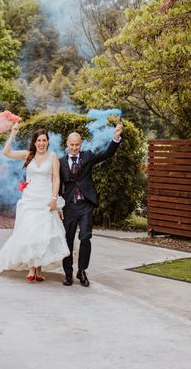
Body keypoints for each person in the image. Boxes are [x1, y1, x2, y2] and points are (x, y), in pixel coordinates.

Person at [0, 123, 69, 281]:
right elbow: (6, 152)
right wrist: (13, 133)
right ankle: (32, 268)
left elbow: (56, 179)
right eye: (39, 140)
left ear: (48, 142)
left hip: (46, 200)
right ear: (34, 142)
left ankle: (38, 269)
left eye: (44, 140)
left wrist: (54, 199)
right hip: (30, 200)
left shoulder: (53, 157)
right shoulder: (28, 155)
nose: (41, 143)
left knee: (42, 234)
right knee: (30, 233)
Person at [59, 122, 123, 287]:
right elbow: (58, 185)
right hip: (69, 206)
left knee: (85, 238)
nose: (74, 147)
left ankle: (82, 271)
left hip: (86, 204)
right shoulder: (60, 162)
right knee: (67, 239)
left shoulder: (87, 156)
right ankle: (68, 273)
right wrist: (59, 206)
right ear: (67, 144)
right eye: (72, 145)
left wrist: (116, 137)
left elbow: (107, 154)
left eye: (77, 144)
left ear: (81, 144)